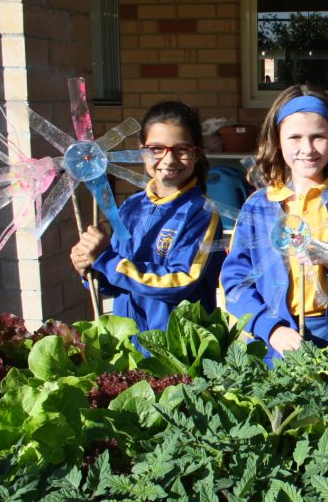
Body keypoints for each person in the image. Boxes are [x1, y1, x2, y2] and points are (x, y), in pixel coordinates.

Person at [221, 85, 328, 362]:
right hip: (278, 340)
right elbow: (235, 283)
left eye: (318, 137)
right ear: (277, 141)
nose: (307, 148)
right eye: (295, 137)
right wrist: (270, 328)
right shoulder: (259, 206)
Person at [70, 100, 224, 335]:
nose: (169, 160)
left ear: (196, 154)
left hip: (178, 348)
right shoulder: (131, 206)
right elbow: (116, 282)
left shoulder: (202, 213)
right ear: (142, 151)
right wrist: (91, 267)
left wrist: (107, 260)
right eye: (157, 149)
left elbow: (181, 281)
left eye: (181, 150)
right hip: (129, 342)